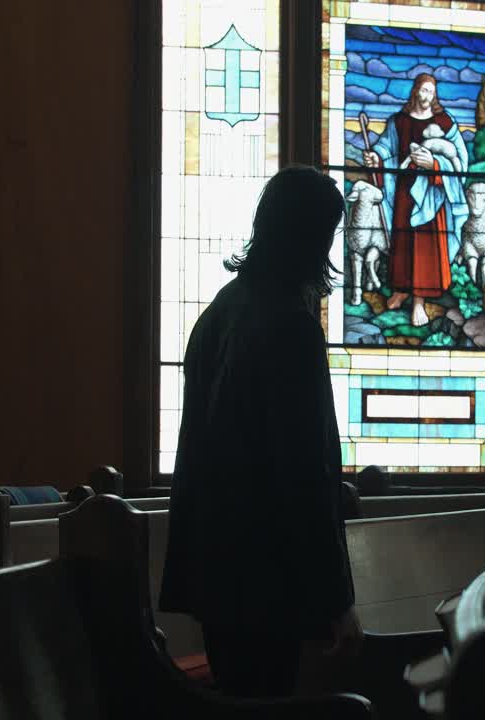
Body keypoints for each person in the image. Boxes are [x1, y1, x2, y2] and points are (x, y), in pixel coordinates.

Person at [158, 166, 362, 698]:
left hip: (216, 569)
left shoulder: (222, 310)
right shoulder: (289, 325)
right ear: (312, 238)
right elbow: (304, 470)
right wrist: (336, 599)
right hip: (269, 577)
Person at [362, 73, 470, 327]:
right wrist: (376, 158)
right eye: (422, 91)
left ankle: (419, 302)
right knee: (403, 244)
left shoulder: (445, 122)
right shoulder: (399, 121)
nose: (426, 97)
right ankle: (402, 290)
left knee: (425, 248)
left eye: (431, 92)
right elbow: (386, 148)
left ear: (435, 96)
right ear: (414, 92)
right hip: (405, 192)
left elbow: (459, 160)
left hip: (432, 195)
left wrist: (433, 164)